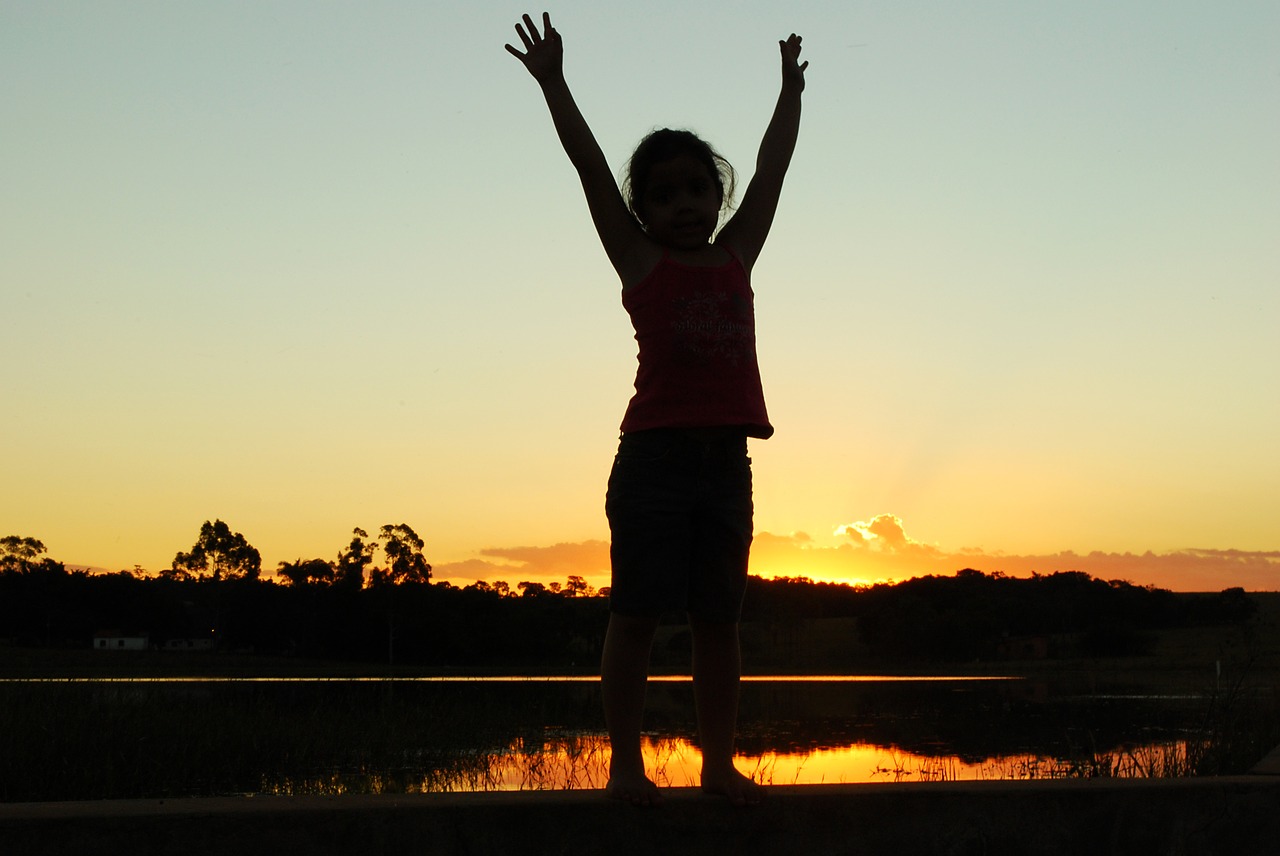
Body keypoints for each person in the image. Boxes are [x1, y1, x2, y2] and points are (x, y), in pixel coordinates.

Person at [505, 12, 806, 807]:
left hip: (725, 470)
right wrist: (554, 84)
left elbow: (774, 169)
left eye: (697, 189)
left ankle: (716, 767)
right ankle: (627, 768)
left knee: (718, 624)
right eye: (663, 194)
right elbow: (590, 169)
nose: (682, 204)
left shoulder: (737, 253)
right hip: (653, 468)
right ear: (643, 211)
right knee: (635, 617)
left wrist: (789, 94)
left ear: (717, 196)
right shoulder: (637, 258)